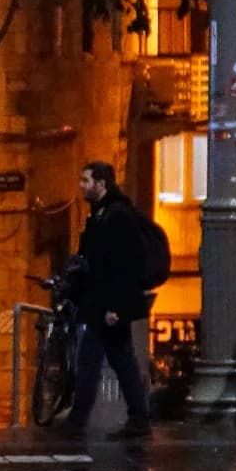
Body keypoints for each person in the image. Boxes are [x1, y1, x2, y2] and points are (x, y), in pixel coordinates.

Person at [63, 162, 153, 439]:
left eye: (86, 180)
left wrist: (116, 307)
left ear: (101, 184)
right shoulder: (102, 214)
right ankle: (132, 417)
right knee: (109, 359)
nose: (81, 185)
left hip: (108, 305)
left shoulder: (116, 216)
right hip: (100, 302)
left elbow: (123, 264)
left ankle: (82, 420)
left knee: (103, 360)